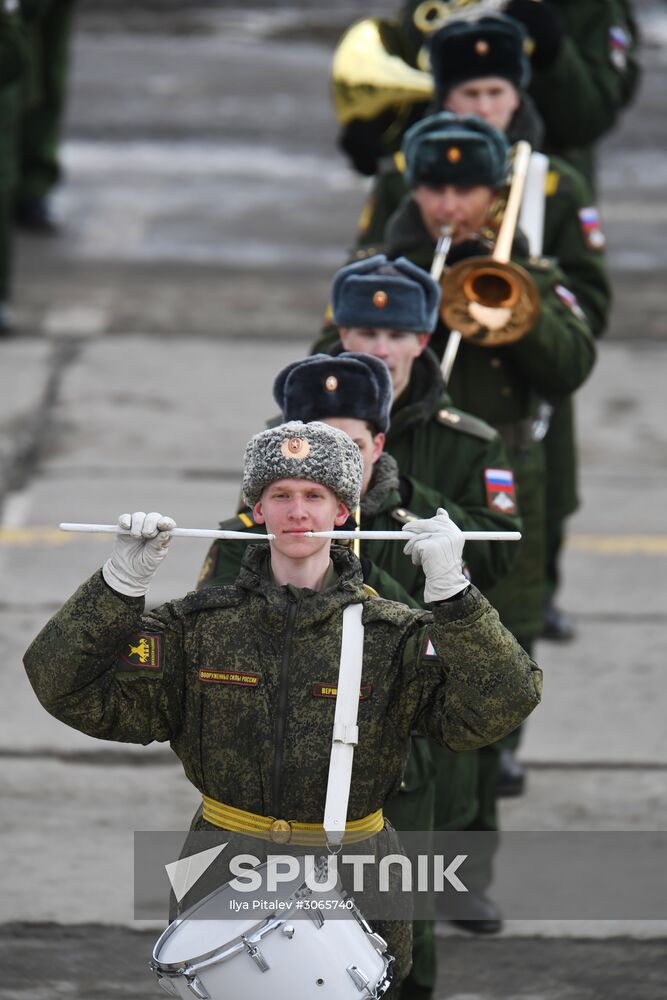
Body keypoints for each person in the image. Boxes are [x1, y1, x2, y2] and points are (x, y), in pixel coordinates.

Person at [23, 419, 542, 995]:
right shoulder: (199, 628)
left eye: (314, 496)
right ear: (258, 511)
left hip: (356, 869)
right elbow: (62, 684)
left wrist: (454, 595)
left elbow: (501, 702)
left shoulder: (391, 633)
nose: (298, 511)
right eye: (281, 495)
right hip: (222, 862)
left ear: (342, 512)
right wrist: (119, 584)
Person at [337, 117, 597, 797]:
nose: (449, 206)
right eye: (433, 189)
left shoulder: (524, 265)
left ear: (493, 192)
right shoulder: (374, 269)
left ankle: (482, 797)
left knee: (491, 633)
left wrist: (511, 291)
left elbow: (570, 364)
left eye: (465, 190)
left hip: (494, 459)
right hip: (379, 468)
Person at [356, 13, 611, 645]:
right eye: (469, 93)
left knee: (509, 606)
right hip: (418, 440)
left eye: (495, 93)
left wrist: (516, 295)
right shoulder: (400, 179)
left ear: (518, 96)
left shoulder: (552, 183)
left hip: (512, 420)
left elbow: (587, 313)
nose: (483, 107)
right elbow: (354, 297)